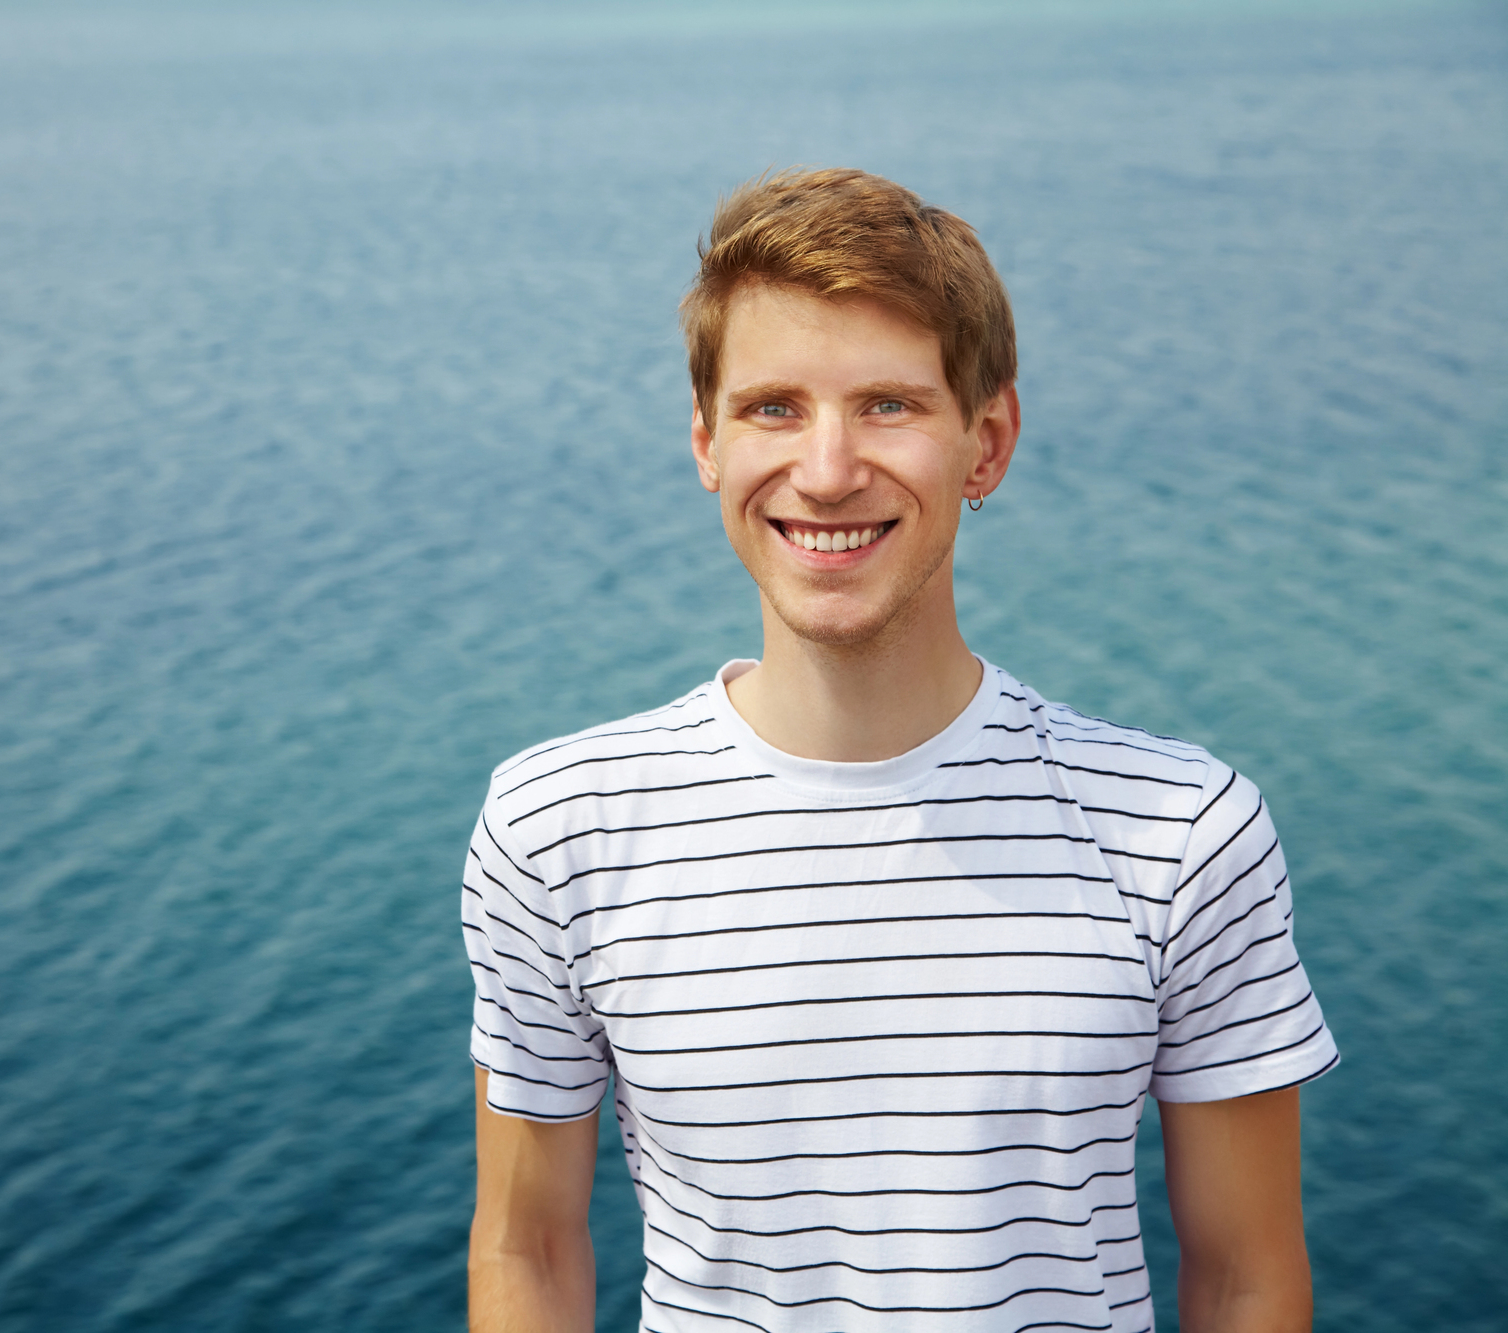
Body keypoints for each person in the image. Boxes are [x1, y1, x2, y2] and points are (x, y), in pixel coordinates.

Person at [462, 168, 1337, 1333]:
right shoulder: (558, 829)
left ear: (986, 443)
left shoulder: (1179, 830)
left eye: (886, 405)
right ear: (704, 441)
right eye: (772, 406)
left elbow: (1243, 1275)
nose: (824, 470)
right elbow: (525, 1249)